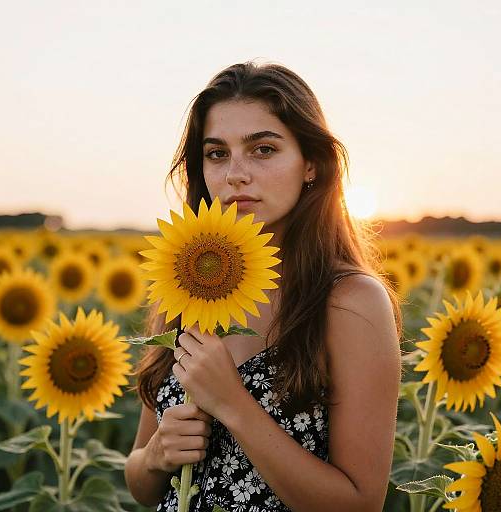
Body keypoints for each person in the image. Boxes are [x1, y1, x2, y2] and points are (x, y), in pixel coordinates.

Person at [124, 61, 402, 512]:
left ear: (311, 163)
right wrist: (155, 457)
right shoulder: (190, 286)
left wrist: (233, 404)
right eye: (217, 153)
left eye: (263, 149)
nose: (236, 173)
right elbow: (140, 482)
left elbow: (359, 503)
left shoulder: (349, 302)